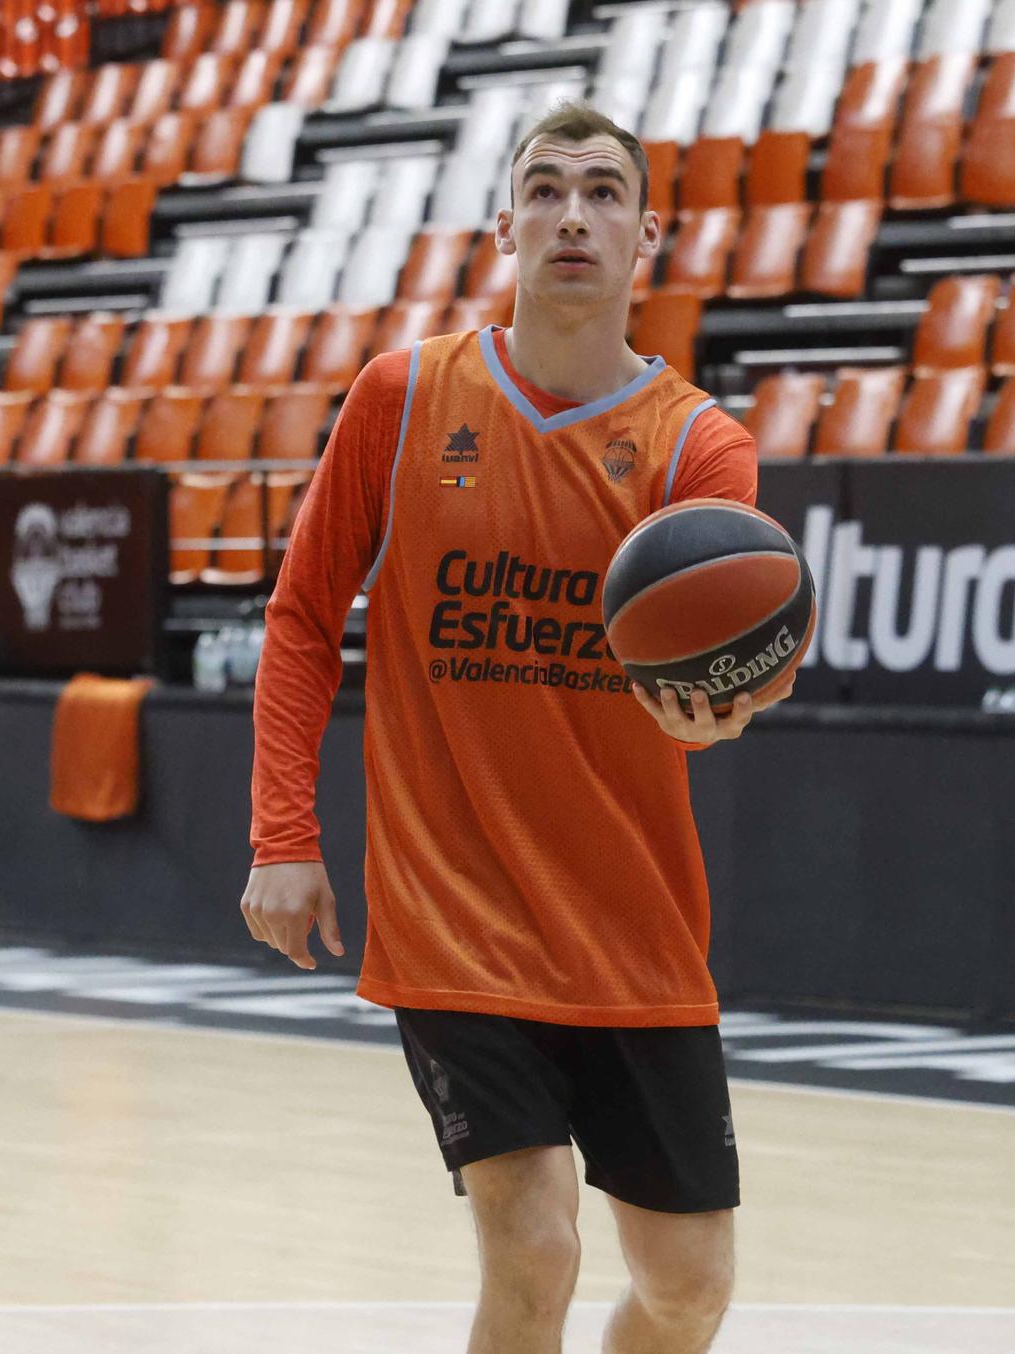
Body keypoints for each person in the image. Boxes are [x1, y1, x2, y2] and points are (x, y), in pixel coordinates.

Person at [240, 101, 789, 1354]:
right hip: (456, 907)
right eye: (545, 190)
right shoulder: (403, 397)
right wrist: (283, 830)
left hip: (633, 918)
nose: (573, 215)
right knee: (533, 1245)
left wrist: (730, 707)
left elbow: (751, 666)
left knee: (688, 1285)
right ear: (504, 227)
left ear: (647, 234)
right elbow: (301, 617)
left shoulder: (700, 450)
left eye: (603, 193)